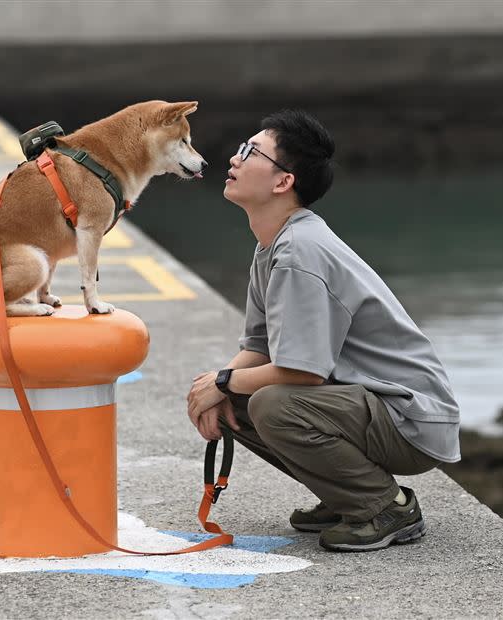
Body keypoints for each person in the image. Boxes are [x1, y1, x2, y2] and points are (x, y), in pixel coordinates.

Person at [186, 109, 460, 552]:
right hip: (370, 404)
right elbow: (257, 346)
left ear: (283, 182)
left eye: (250, 152)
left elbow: (303, 373)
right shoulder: (274, 244)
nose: (234, 160)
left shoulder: (300, 251)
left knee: (273, 404)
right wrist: (215, 387)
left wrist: (221, 381)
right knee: (236, 395)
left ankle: (384, 506)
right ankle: (346, 494)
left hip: (410, 418)